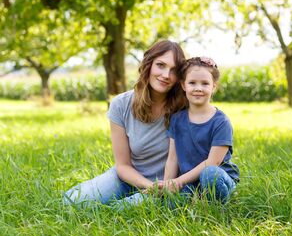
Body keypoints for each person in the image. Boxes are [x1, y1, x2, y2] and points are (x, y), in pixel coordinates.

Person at [63, 40, 187, 207]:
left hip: (169, 184)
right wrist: (149, 186)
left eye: (173, 70)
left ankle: (134, 202)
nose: (166, 75)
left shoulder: (185, 106)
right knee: (72, 201)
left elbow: (206, 89)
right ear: (148, 65)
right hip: (129, 177)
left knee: (119, 211)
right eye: (161, 65)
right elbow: (122, 165)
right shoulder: (121, 104)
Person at [161, 57, 239, 204]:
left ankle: (215, 206)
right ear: (184, 85)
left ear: (213, 87)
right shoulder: (177, 119)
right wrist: (168, 185)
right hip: (189, 181)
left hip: (216, 177)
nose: (198, 88)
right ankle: (196, 199)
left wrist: (178, 182)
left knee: (209, 175)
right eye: (192, 83)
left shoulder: (221, 122)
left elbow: (212, 162)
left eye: (205, 83)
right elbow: (173, 159)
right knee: (170, 204)